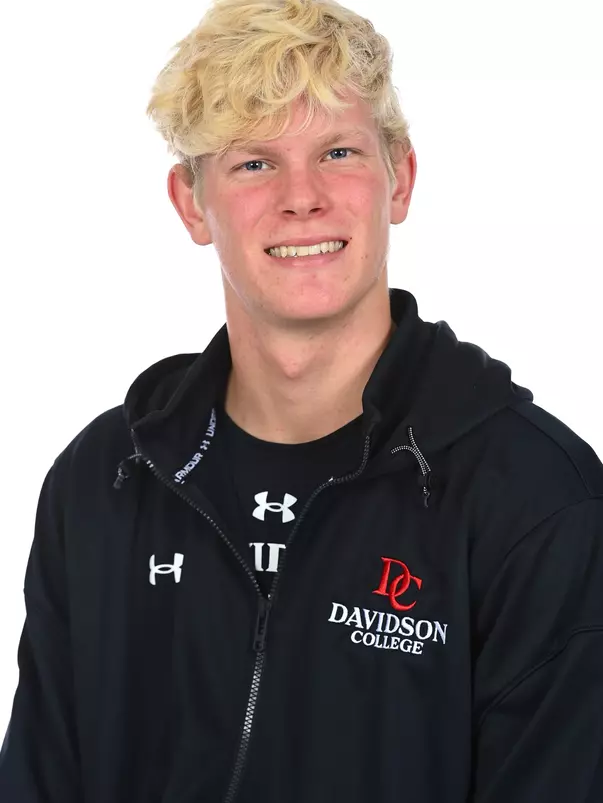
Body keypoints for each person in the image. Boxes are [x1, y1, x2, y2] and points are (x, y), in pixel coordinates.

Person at [1, 0, 602, 800]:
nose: (302, 197)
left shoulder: (533, 498)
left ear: (401, 180)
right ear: (190, 203)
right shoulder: (106, 480)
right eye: (254, 163)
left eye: (339, 151)